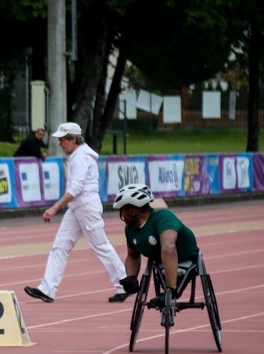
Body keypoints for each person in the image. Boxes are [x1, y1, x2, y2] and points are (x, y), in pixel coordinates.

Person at [24, 122, 128, 303]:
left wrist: (54, 207)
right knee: (60, 246)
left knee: (101, 246)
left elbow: (76, 189)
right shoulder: (78, 156)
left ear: (73, 139)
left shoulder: (80, 158)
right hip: (78, 208)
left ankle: (124, 285)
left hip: (86, 207)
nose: (60, 143)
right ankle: (47, 289)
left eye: (63, 140)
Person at [112, 183, 200, 315]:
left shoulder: (163, 217)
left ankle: (172, 291)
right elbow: (133, 255)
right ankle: (170, 292)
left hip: (186, 260)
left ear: (132, 211)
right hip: (160, 263)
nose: (122, 216)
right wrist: (131, 277)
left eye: (122, 210)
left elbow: (169, 248)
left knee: (168, 250)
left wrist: (170, 292)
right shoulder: (130, 229)